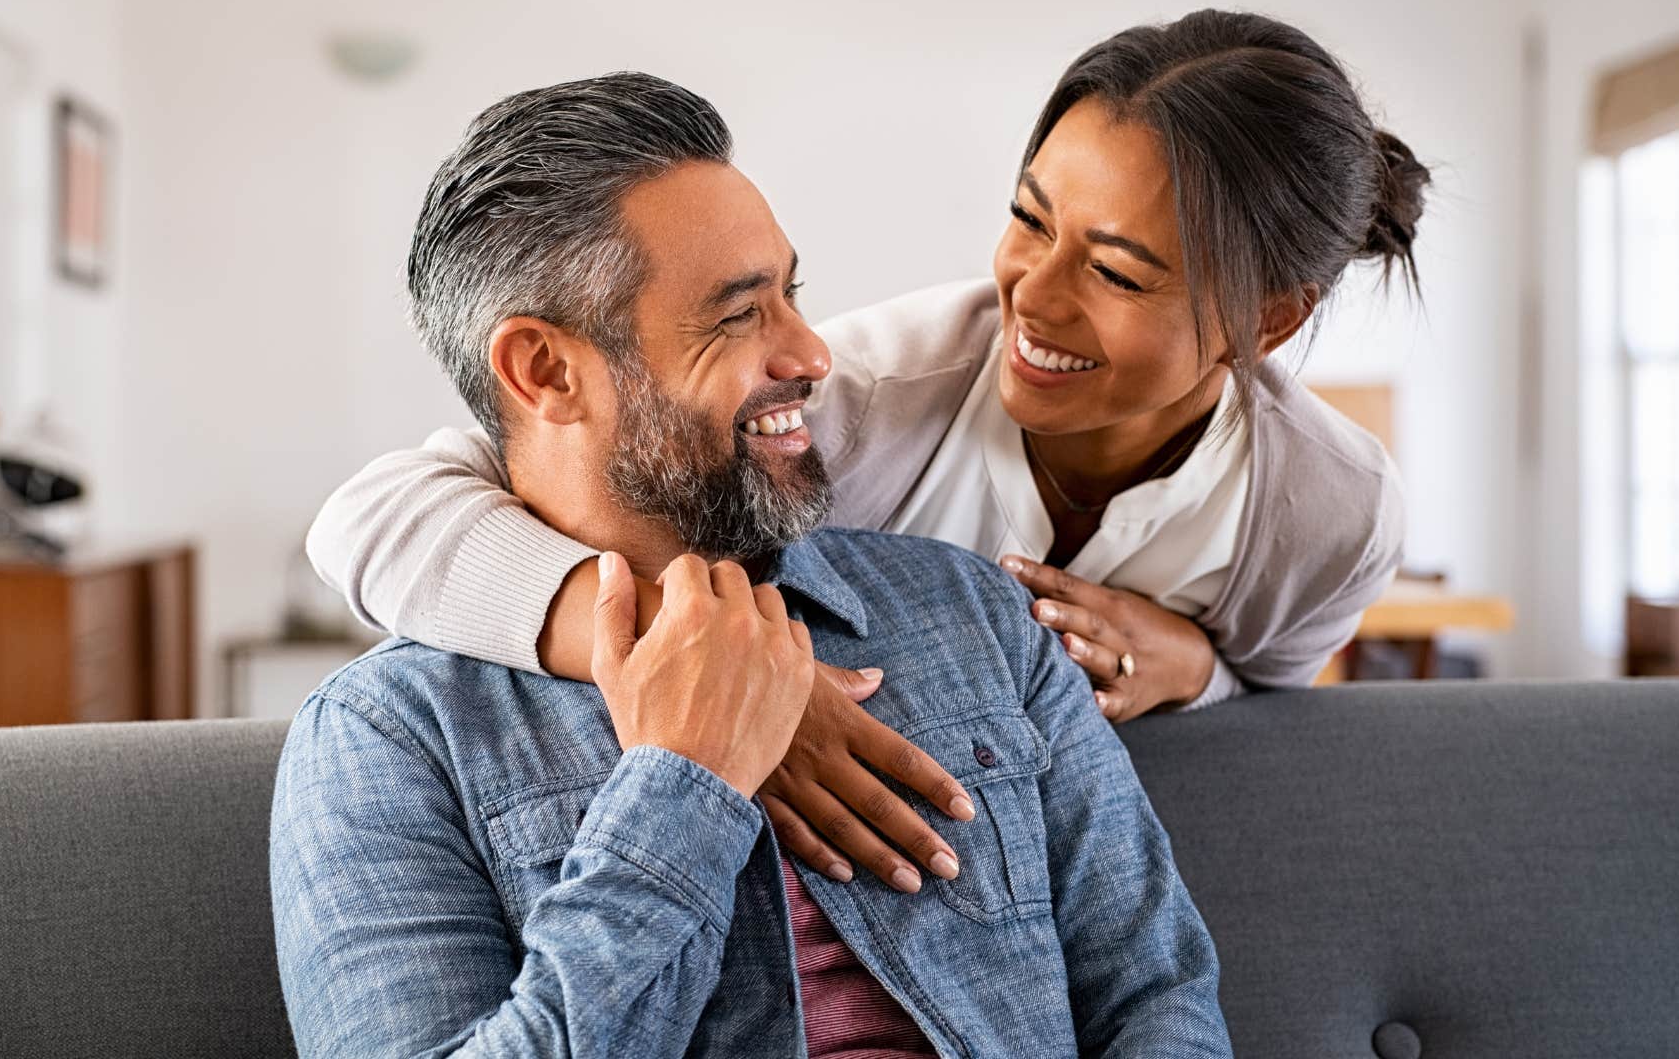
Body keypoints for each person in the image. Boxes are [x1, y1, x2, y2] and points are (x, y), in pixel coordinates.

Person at [305, 10, 1424, 893]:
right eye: (1029, 220)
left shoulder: (1330, 512)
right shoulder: (868, 398)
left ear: (1267, 321)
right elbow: (375, 516)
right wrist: (713, 671)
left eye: (1119, 272)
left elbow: (1276, 707)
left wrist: (1199, 670)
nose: (1030, 295)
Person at [270, 72, 1229, 1058]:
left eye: (792, 294)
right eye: (737, 316)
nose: (812, 352)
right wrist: (684, 785)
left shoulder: (979, 613)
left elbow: (1158, 993)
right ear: (547, 372)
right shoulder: (388, 740)